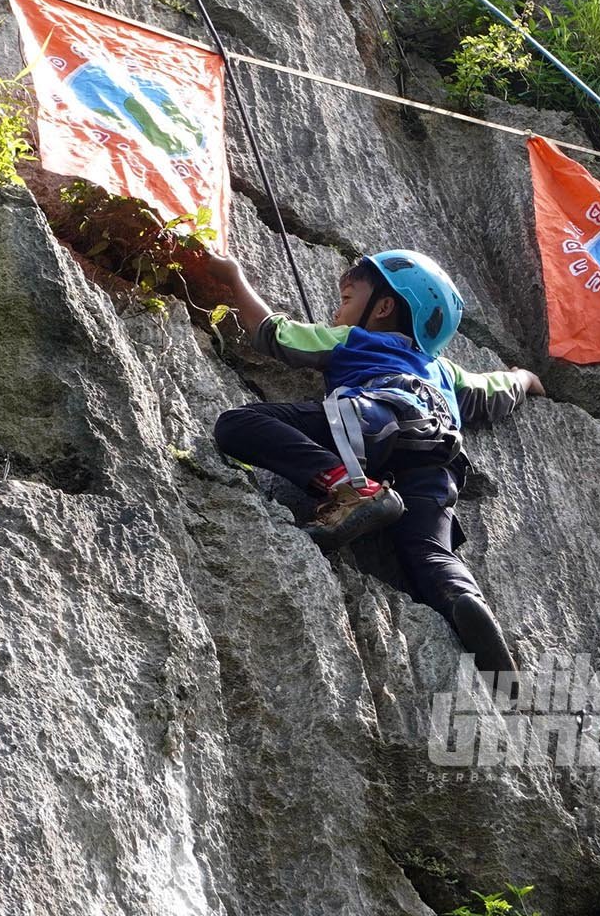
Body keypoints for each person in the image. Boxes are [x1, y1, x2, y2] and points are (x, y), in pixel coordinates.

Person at [205, 248, 542, 682]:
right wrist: (526, 378)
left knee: (239, 423)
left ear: (382, 308)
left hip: (374, 418)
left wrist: (234, 277)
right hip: (437, 458)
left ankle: (349, 486)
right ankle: (462, 596)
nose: (336, 311)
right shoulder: (447, 374)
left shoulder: (355, 340)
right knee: (428, 551)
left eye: (346, 300)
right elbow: (494, 390)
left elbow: (274, 333)